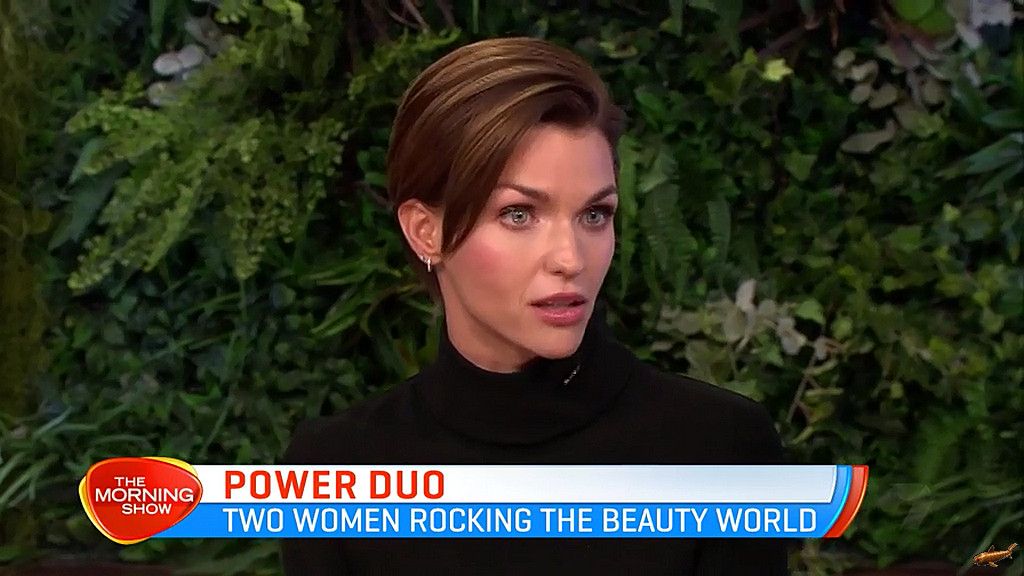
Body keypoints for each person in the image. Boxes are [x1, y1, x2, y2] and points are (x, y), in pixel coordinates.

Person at [281, 36, 792, 575]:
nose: (570, 259)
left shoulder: (719, 448)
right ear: (426, 231)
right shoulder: (334, 476)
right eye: (519, 215)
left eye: (594, 215)